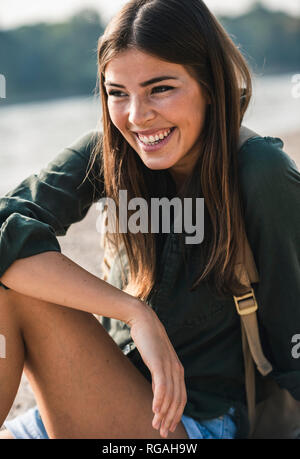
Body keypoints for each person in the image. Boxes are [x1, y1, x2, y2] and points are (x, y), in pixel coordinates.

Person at [0, 0, 299, 440]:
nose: (137, 117)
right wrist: (134, 312)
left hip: (193, 424)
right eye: (118, 93)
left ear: (210, 84)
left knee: (14, 285)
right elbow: (7, 220)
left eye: (160, 88)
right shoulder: (110, 151)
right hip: (95, 395)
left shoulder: (260, 171)